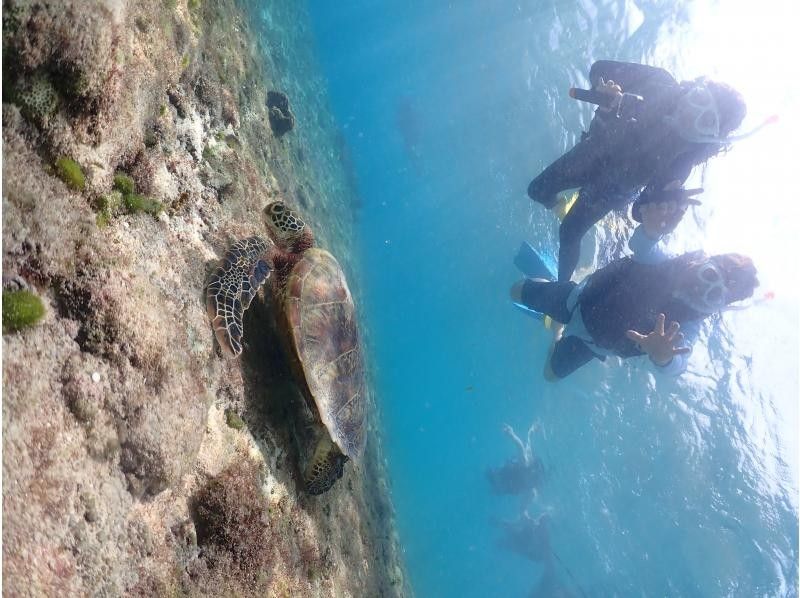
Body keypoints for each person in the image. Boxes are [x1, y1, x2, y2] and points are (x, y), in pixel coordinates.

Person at [527, 60, 747, 282]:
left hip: (611, 191)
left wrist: (660, 203)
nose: (691, 113)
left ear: (710, 137)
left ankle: (562, 287)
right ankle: (559, 206)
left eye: (706, 121)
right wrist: (603, 88)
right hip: (593, 152)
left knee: (568, 232)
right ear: (696, 88)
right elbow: (599, 68)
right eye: (699, 99)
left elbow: (637, 211)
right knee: (536, 191)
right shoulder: (659, 82)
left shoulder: (682, 161)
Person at [510, 184, 759, 379]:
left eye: (713, 295)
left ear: (719, 304)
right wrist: (652, 230)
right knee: (515, 290)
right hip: (576, 300)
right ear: (706, 263)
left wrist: (665, 358)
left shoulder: (687, 327)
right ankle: (554, 293)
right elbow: (643, 246)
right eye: (709, 276)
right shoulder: (666, 264)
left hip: (590, 344)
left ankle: (558, 330)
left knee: (550, 376)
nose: (700, 288)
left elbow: (678, 364)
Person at [486, 423, 544, 497]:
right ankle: (491, 478)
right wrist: (512, 435)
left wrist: (524, 508)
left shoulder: (531, 487)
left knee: (499, 488)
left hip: (511, 484)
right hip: (509, 472)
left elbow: (528, 500)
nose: (531, 480)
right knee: (495, 479)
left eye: (534, 478)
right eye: (532, 476)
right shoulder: (524, 464)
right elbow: (520, 447)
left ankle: (495, 486)